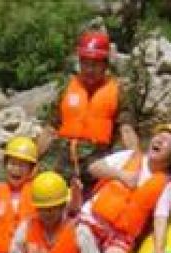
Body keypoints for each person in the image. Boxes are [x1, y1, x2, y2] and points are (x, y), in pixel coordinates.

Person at [81, 122, 171, 253]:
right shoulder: (129, 156)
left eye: (167, 141)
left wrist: (159, 247)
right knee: (78, 248)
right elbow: (94, 168)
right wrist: (122, 175)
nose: (159, 141)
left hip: (120, 235)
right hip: (93, 219)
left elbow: (160, 217)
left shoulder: (166, 183)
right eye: (159, 136)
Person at [36, 30, 138, 190]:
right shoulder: (67, 87)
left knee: (96, 168)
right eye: (86, 63)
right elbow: (50, 129)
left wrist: (138, 161)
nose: (90, 69)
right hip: (62, 153)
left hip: (95, 155)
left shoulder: (118, 91)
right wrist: (33, 158)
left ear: (105, 64)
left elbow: (127, 131)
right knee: (40, 179)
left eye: (96, 64)